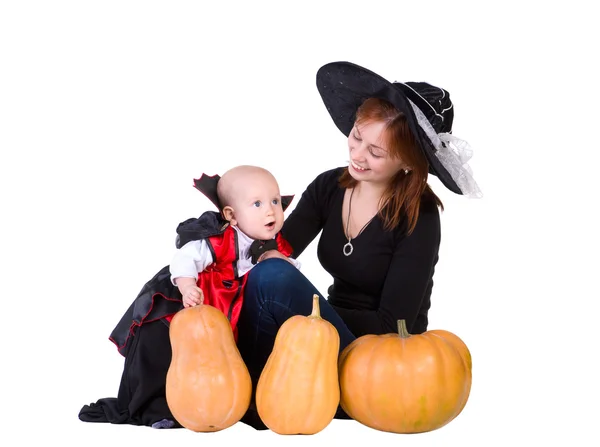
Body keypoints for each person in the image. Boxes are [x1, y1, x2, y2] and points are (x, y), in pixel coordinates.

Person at [234, 61, 482, 430]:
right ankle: (244, 391)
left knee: (272, 278)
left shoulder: (421, 215)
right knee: (247, 275)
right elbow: (275, 246)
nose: (358, 154)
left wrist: (311, 317)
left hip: (381, 357)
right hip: (326, 332)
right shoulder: (329, 187)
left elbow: (392, 322)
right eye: (356, 136)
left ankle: (254, 395)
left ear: (408, 161)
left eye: (377, 152)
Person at [78, 164, 301, 429]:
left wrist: (277, 259)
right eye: (257, 204)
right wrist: (186, 286)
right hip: (198, 299)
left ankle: (236, 401)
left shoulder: (275, 246)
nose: (270, 210)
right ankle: (162, 407)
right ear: (231, 215)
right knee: (176, 349)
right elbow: (184, 260)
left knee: (226, 356)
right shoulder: (216, 239)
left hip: (234, 309)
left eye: (275, 201)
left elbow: (288, 278)